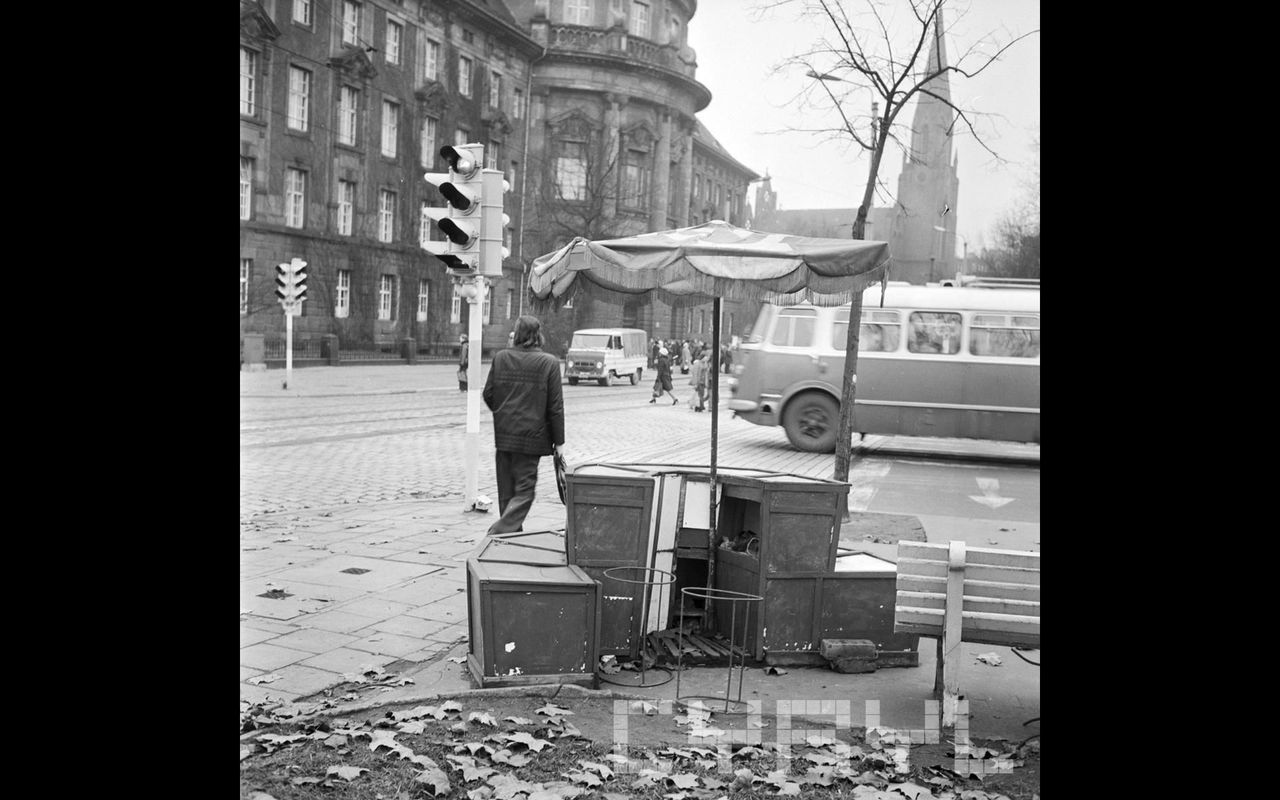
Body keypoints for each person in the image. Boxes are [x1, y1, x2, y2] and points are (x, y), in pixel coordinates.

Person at [482, 315, 565, 535]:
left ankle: (511, 536)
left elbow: (488, 394)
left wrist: (504, 415)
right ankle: (498, 532)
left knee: (506, 492)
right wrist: (559, 443)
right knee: (525, 491)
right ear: (538, 335)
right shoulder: (549, 363)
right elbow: (555, 407)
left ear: (517, 335)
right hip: (532, 439)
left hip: (505, 436)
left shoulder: (500, 358)